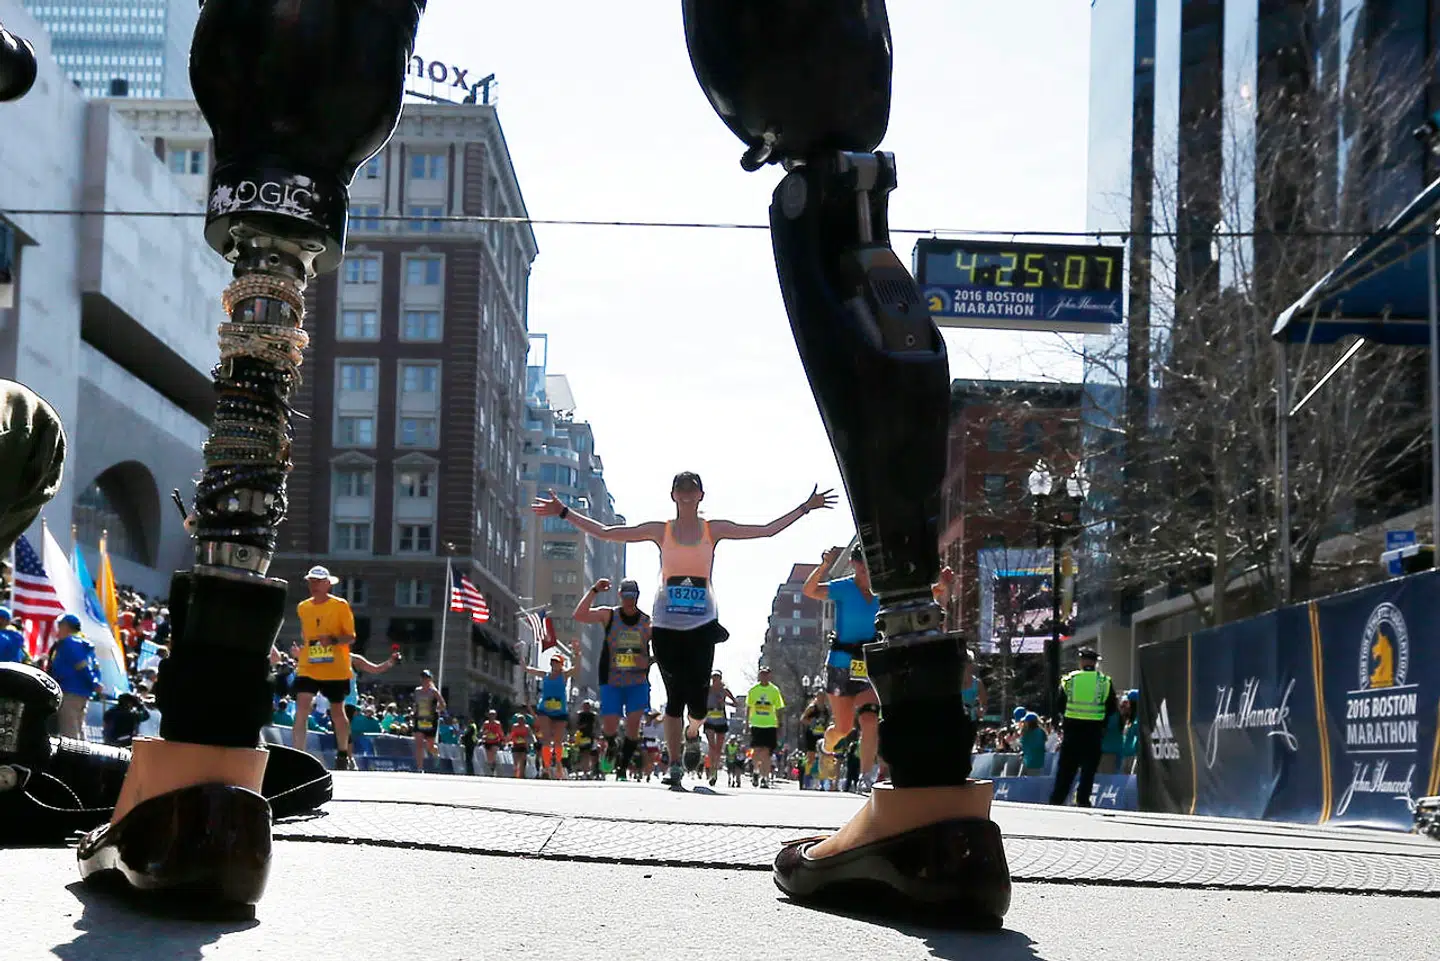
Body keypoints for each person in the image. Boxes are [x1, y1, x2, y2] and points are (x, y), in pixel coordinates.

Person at [533, 472, 834, 787]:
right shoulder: (660, 531)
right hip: (665, 624)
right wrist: (563, 512)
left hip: (702, 623)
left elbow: (765, 531)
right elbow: (608, 533)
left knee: (699, 705)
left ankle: (694, 732)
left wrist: (805, 507)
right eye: (682, 490)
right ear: (673, 495)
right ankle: (675, 764)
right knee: (675, 697)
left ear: (701, 495)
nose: (687, 495)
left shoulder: (712, 530)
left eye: (693, 490)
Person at [289, 566, 399, 770]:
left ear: (328, 584)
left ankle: (342, 753)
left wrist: (332, 639)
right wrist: (303, 651)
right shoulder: (303, 607)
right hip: (309, 665)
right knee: (302, 706)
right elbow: (307, 634)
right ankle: (298, 754)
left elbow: (351, 637)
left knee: (338, 711)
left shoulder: (340, 605)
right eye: (310, 581)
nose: (313, 585)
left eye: (318, 581)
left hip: (335, 667)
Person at [802, 544, 882, 791]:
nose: (867, 570)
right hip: (841, 663)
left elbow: (922, 593)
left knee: (870, 720)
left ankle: (866, 777)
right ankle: (826, 744)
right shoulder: (844, 588)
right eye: (863, 564)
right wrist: (824, 565)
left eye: (872, 565)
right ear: (855, 565)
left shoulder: (883, 590)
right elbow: (810, 590)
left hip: (870, 663)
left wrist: (941, 586)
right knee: (844, 728)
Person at [572, 577, 651, 781]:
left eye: (632, 596)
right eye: (625, 596)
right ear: (619, 595)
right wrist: (594, 590)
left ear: (637, 597)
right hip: (611, 679)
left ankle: (622, 769)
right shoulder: (609, 614)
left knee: (633, 725)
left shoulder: (646, 622)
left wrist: (650, 661)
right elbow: (579, 615)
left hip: (636, 681)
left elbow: (662, 647)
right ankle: (611, 743)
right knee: (610, 726)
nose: (628, 600)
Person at [1049, 648, 1118, 807]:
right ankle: (1083, 799)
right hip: (1094, 730)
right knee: (1089, 769)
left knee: (1066, 768)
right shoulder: (1104, 682)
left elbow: (1059, 704)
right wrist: (1101, 720)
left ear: (1081, 661)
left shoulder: (1070, 680)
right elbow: (1112, 707)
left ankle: (1057, 799)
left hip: (1072, 729)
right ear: (1095, 663)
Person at [48, 613, 103, 740]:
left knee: (69, 731)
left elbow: (81, 665)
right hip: (82, 692)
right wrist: (94, 683)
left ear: (65, 626)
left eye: (59, 626)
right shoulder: (86, 645)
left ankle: (71, 758)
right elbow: (95, 668)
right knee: (79, 727)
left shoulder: (70, 643)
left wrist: (93, 683)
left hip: (69, 691)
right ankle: (82, 757)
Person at [524, 653, 579, 779]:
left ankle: (559, 764)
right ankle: (547, 767)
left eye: (557, 662)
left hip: (560, 712)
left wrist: (577, 653)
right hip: (545, 710)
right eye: (552, 662)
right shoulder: (545, 675)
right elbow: (528, 669)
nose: (554, 664)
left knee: (558, 742)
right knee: (546, 740)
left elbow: (577, 669)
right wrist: (522, 659)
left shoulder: (564, 675)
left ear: (561, 665)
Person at [745, 666, 786, 788]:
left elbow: (779, 708)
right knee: (756, 751)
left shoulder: (774, 690)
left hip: (770, 725)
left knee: (767, 753)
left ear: (769, 676)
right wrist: (746, 723)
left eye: (766, 674)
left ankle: (764, 778)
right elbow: (748, 707)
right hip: (757, 724)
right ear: (759, 676)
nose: (764, 676)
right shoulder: (753, 690)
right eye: (761, 674)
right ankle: (756, 772)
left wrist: (780, 724)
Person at [701, 670, 739, 786]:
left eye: (717, 677)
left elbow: (736, 704)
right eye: (713, 677)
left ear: (721, 678)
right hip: (709, 719)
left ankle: (715, 771)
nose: (715, 679)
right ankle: (712, 772)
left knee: (718, 748)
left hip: (721, 720)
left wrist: (724, 703)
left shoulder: (724, 691)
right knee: (712, 746)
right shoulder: (707, 690)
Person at [411, 669, 446, 773]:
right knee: (419, 744)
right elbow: (415, 704)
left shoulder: (434, 692)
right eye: (423, 678)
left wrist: (437, 710)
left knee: (430, 746)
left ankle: (436, 754)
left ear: (430, 679)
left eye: (427, 678)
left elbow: (443, 704)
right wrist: (413, 712)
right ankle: (420, 768)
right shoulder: (417, 691)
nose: (424, 680)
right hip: (420, 719)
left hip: (431, 720)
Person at [1019, 712, 1047, 776]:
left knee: (1023, 781)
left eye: (1025, 721)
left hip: (1029, 762)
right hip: (1038, 762)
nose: (1024, 723)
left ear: (1029, 722)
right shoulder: (1041, 731)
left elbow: (1023, 744)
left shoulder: (1027, 733)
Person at [480, 709, 506, 776]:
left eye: (493, 715)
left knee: (493, 752)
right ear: (488, 715)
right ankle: (492, 768)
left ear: (495, 716)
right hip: (487, 741)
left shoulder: (497, 723)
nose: (492, 716)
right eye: (491, 715)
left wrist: (503, 739)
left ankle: (493, 766)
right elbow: (482, 730)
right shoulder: (486, 723)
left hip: (495, 741)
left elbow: (500, 732)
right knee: (489, 758)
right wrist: (483, 733)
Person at [508, 712, 533, 779]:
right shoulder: (514, 726)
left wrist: (528, 741)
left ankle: (522, 774)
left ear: (524, 720)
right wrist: (512, 740)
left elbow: (530, 736)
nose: (520, 721)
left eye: (522, 719)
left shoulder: (527, 727)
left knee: (523, 760)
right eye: (519, 719)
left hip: (524, 745)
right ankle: (516, 773)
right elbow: (512, 735)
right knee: (516, 760)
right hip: (516, 745)